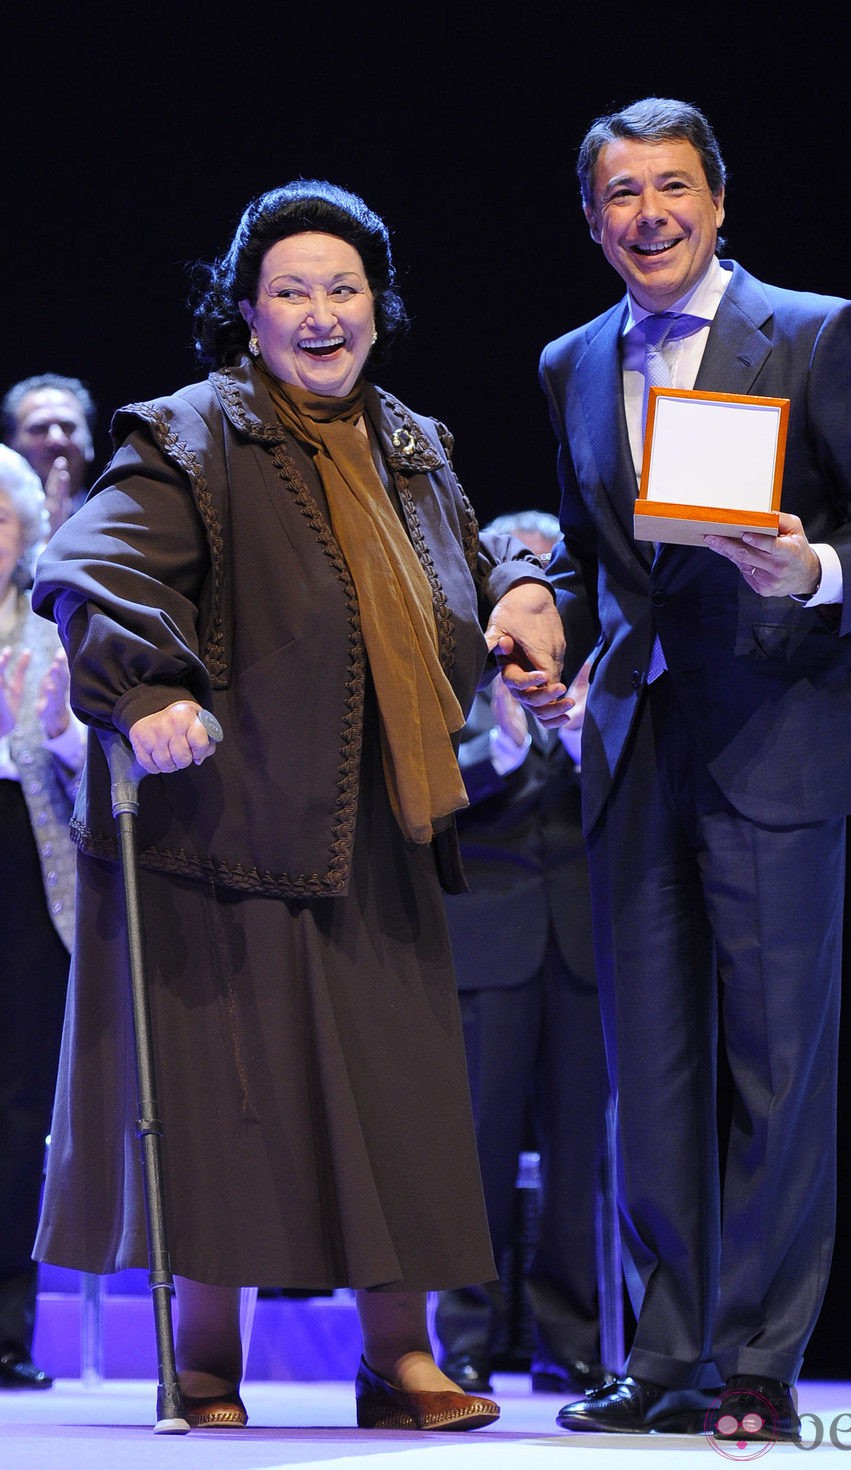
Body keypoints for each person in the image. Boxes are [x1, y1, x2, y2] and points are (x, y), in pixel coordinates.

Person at [29, 178, 565, 1432]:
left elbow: (476, 562)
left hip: (381, 823)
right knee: (232, 1101)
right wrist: (147, 689)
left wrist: (526, 587)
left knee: (400, 1100)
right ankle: (204, 1361)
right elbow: (89, 566)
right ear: (248, 313)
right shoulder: (193, 431)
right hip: (228, 824)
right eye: (292, 292)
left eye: (343, 288)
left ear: (378, 304)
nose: (321, 314)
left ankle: (400, 1361)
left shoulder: (413, 443)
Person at [496, 96, 851, 1443]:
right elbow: (585, 544)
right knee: (656, 1070)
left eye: (673, 188)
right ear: (591, 218)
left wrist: (809, 571)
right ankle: (667, 1351)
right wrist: (534, 596)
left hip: (779, 732)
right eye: (622, 196)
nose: (650, 217)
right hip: (636, 743)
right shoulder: (573, 357)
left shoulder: (812, 331)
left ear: (720, 200)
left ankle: (757, 1357)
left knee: (776, 1064)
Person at [435, 509, 612, 1400]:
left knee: (580, 1153)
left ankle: (569, 1340)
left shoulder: (597, 662)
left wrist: (579, 731)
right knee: (476, 1149)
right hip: (490, 938)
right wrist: (503, 740)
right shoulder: (464, 663)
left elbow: (634, 779)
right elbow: (427, 788)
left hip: (584, 939)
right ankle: (463, 1340)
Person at [0, 445, 83, 1389]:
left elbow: (84, 767)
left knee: (22, 1110)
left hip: (28, 873)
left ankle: (7, 1329)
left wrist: (57, 730)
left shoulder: (46, 633)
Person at [1, 374, 97, 539]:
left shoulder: (119, 518)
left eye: (68, 426)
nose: (56, 439)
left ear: (90, 440)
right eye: (39, 428)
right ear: (10, 444)